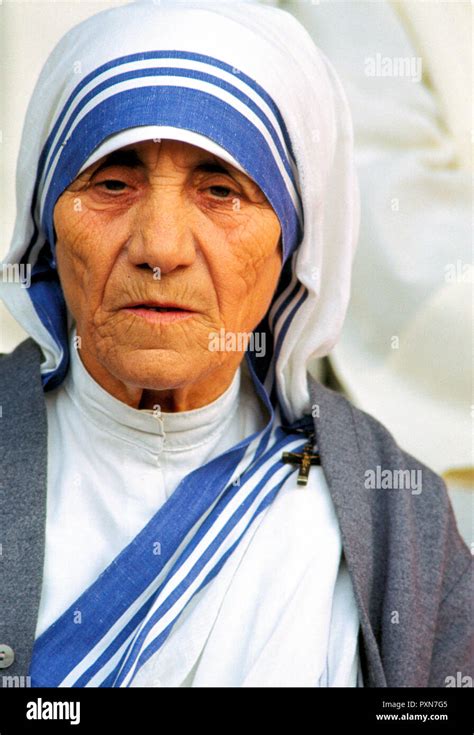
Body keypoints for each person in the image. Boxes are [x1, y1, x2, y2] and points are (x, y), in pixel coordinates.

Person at [0, 0, 471, 688]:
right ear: (50, 222)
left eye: (221, 190)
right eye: (111, 182)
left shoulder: (401, 526)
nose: (159, 247)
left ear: (292, 247)